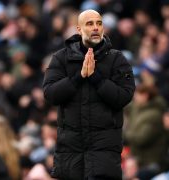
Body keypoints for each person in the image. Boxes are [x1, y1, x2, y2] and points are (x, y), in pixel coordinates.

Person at [43, 9, 135, 179]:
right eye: (90, 23)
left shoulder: (117, 59)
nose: (95, 28)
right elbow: (50, 94)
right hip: (70, 154)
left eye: (99, 24)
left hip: (104, 154)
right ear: (79, 29)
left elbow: (124, 96)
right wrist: (79, 77)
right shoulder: (60, 58)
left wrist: (96, 78)